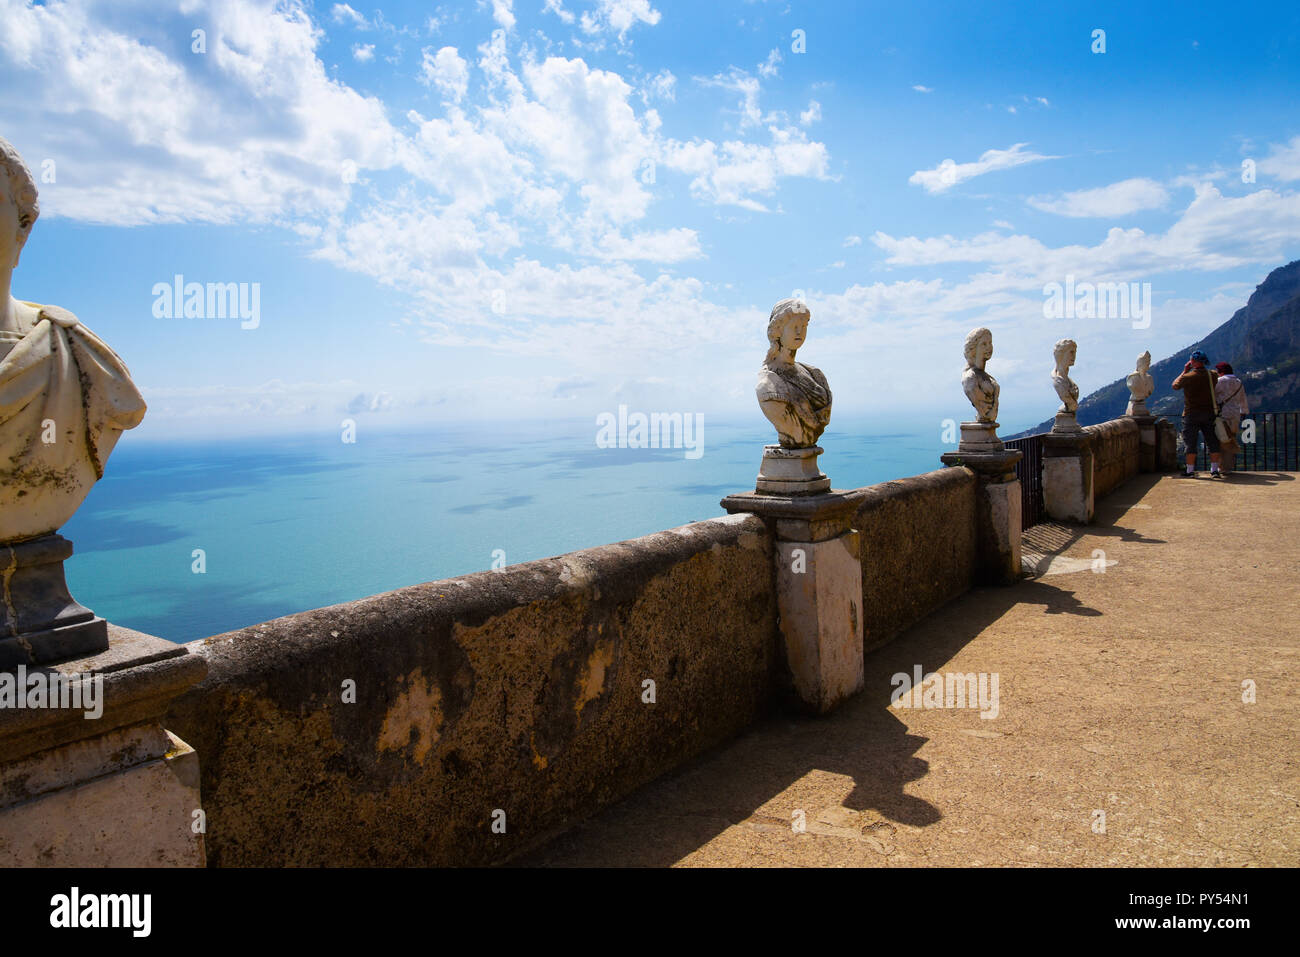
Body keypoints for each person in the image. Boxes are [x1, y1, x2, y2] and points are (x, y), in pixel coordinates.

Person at [1171, 350, 1221, 477]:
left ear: (1192, 362)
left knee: (1190, 443)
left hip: (1191, 413)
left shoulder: (1188, 377)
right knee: (1212, 441)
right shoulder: (1212, 375)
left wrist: (1185, 370)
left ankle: (1190, 470)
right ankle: (1214, 469)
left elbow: (1175, 385)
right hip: (1209, 412)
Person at [1214, 362, 1250, 474]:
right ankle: (1228, 467)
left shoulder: (1220, 381)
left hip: (1222, 415)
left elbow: (1213, 394)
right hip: (1235, 415)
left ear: (1221, 372)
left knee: (1220, 440)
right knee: (1231, 439)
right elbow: (1242, 398)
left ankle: (1220, 467)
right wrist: (1243, 411)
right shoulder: (1238, 382)